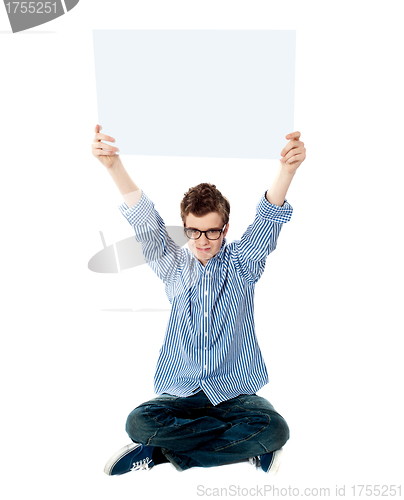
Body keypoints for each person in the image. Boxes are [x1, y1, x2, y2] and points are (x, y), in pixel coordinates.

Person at [91, 124, 306, 475]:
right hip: (180, 397)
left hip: (235, 396)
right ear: (185, 227)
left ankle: (162, 454)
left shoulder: (243, 263)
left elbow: (268, 220)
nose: (203, 240)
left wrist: (287, 171)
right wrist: (114, 166)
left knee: (275, 428)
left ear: (225, 227)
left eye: (212, 231)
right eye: (194, 230)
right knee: (139, 423)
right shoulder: (172, 265)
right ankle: (240, 448)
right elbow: (146, 222)